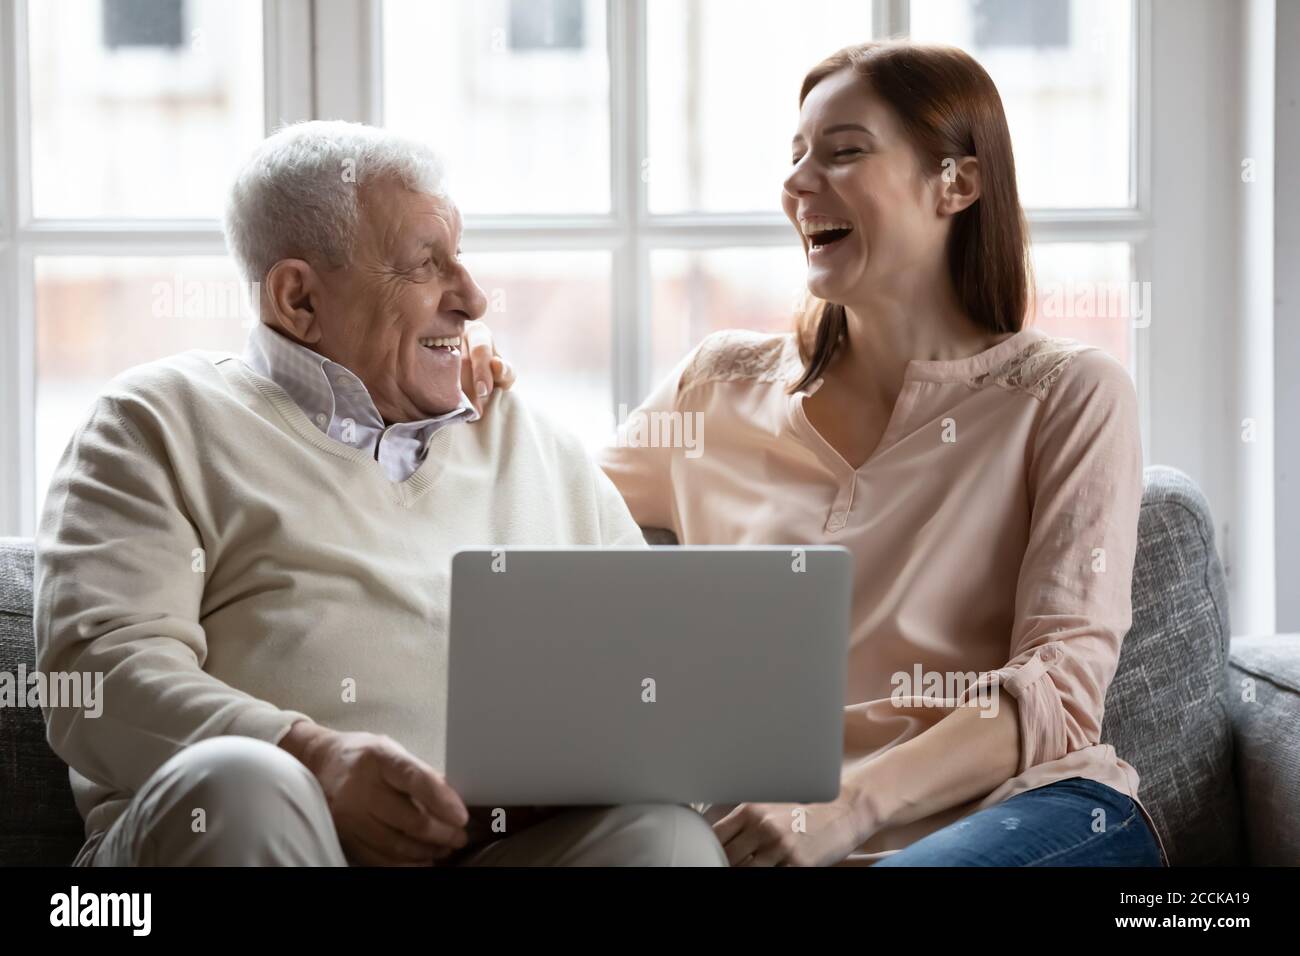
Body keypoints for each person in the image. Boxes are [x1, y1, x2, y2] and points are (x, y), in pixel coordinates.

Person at [490, 41, 1166, 867]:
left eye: (844, 152)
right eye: (796, 156)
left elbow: (1061, 688)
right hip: (765, 839)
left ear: (957, 182)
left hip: (1023, 815)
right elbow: (539, 525)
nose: (798, 185)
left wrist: (847, 807)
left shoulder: (1070, 395)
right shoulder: (716, 389)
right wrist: (476, 409)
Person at [33, 120, 726, 868]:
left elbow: (655, 681)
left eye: (461, 259)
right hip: (244, 833)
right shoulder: (157, 421)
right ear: (299, 299)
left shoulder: (530, 441)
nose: (473, 298)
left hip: (485, 852)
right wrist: (312, 760)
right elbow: (94, 679)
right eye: (427, 265)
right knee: (247, 783)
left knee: (667, 839)